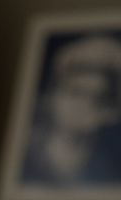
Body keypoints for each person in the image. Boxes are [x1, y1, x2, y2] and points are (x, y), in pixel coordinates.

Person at [23, 33, 121, 184]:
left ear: (110, 111)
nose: (82, 104)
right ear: (52, 95)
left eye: (96, 97)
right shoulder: (26, 154)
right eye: (74, 91)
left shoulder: (111, 167)